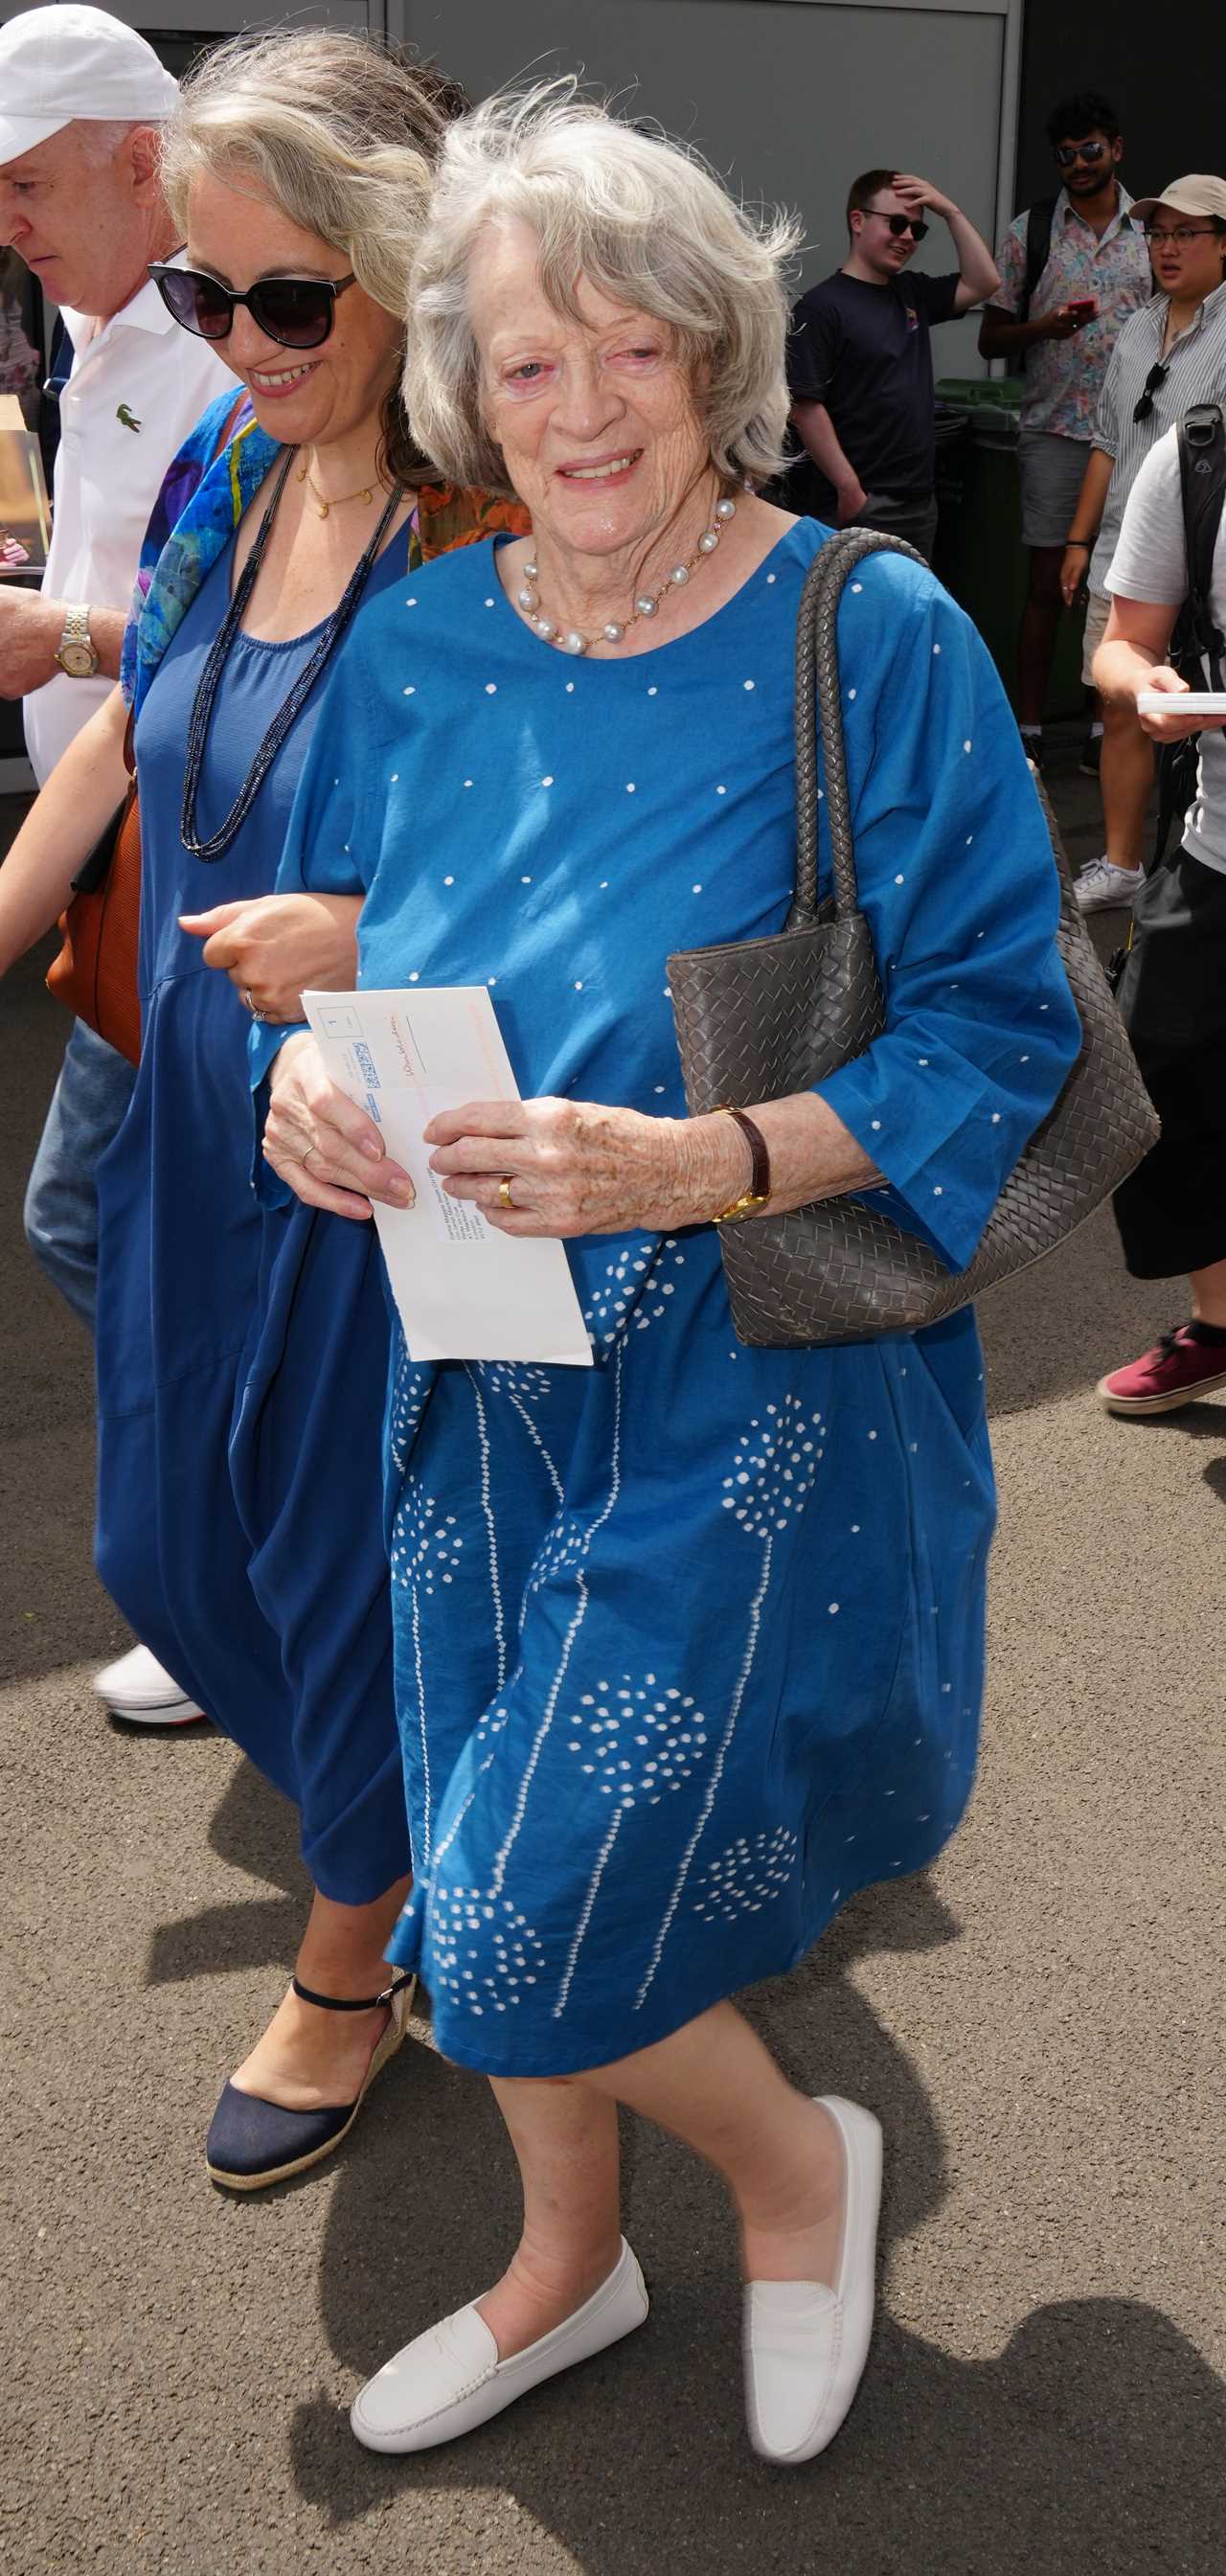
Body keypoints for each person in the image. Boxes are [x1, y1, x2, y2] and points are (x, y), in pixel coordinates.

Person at [262, 88, 1078, 2461]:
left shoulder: (868, 622)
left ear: (722, 354)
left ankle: (795, 2172)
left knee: (505, 1927)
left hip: (751, 1387)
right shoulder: (422, 645)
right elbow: (367, 968)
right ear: (463, 398)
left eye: (630, 347)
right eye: (526, 366)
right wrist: (297, 1095)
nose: (583, 405)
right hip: (472, 1363)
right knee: (509, 1846)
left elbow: (996, 1032)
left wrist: (695, 1159)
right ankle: (565, 2260)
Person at [0, 28, 522, 2193]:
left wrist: (376, 924)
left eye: (285, 298)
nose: (240, 342)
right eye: (210, 298)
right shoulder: (234, 466)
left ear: (403, 269)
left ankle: (351, 1944)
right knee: (154, 1533)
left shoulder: (483, 509)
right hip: (199, 1103)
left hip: (383, 1131)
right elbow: (129, 733)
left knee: (329, 1554)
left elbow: (576, 856)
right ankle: (404, 1827)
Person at [0, 2, 233, 1724]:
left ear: (142, 163)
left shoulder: (227, 352)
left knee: (112, 1222)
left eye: (26, 185)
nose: (6, 220)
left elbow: (205, 650)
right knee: (128, 1225)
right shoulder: (98, 332)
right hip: (120, 871)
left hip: (201, 885)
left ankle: (236, 1571)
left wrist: (59, 630)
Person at [1089, 423, 1226, 1412]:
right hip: (1215, 846)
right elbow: (1121, 642)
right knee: (1154, 1084)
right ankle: (1218, 1324)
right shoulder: (1196, 459)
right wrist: (1144, 682)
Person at [1058, 174, 1226, 911]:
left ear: (1225, 243)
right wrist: (1078, 538)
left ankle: (1192, 855)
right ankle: (1124, 864)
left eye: (1186, 234)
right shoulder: (1135, 326)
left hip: (1202, 556)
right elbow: (1107, 442)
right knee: (1120, 702)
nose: (1167, 248)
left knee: (1199, 710)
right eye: (1158, 234)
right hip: (1124, 546)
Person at [978, 91, 1150, 776]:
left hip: (1135, 438)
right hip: (1053, 429)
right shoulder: (1032, 230)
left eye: (1090, 150)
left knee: (1125, 585)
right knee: (1048, 584)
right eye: (1065, 155)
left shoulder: (1150, 232)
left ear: (1116, 149)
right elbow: (991, 334)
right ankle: (1030, 729)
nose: (1078, 164)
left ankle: (1106, 733)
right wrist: (1043, 329)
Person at [786, 166, 999, 561]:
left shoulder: (911, 292)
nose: (906, 238)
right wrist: (849, 489)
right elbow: (805, 406)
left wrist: (950, 212)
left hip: (918, 500)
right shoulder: (820, 308)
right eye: (897, 224)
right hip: (855, 503)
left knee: (906, 618)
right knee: (843, 619)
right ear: (858, 221)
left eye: (917, 230)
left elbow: (984, 282)